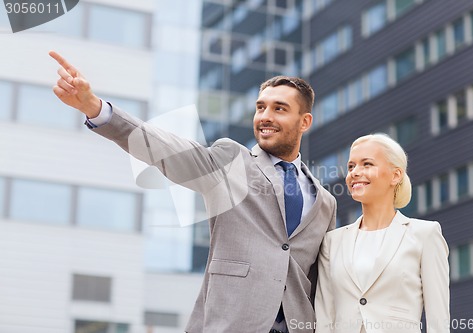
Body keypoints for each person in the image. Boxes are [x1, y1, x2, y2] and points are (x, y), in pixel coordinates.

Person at [49, 51, 337, 333]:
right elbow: (166, 149)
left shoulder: (324, 202)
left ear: (305, 122)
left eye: (279, 109)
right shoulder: (231, 161)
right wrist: (96, 109)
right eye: (261, 107)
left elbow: (323, 283)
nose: (265, 116)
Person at [315, 133, 450, 333]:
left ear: (395, 175)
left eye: (367, 164)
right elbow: (325, 318)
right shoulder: (332, 242)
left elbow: (438, 320)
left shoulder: (425, 235)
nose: (355, 172)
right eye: (351, 166)